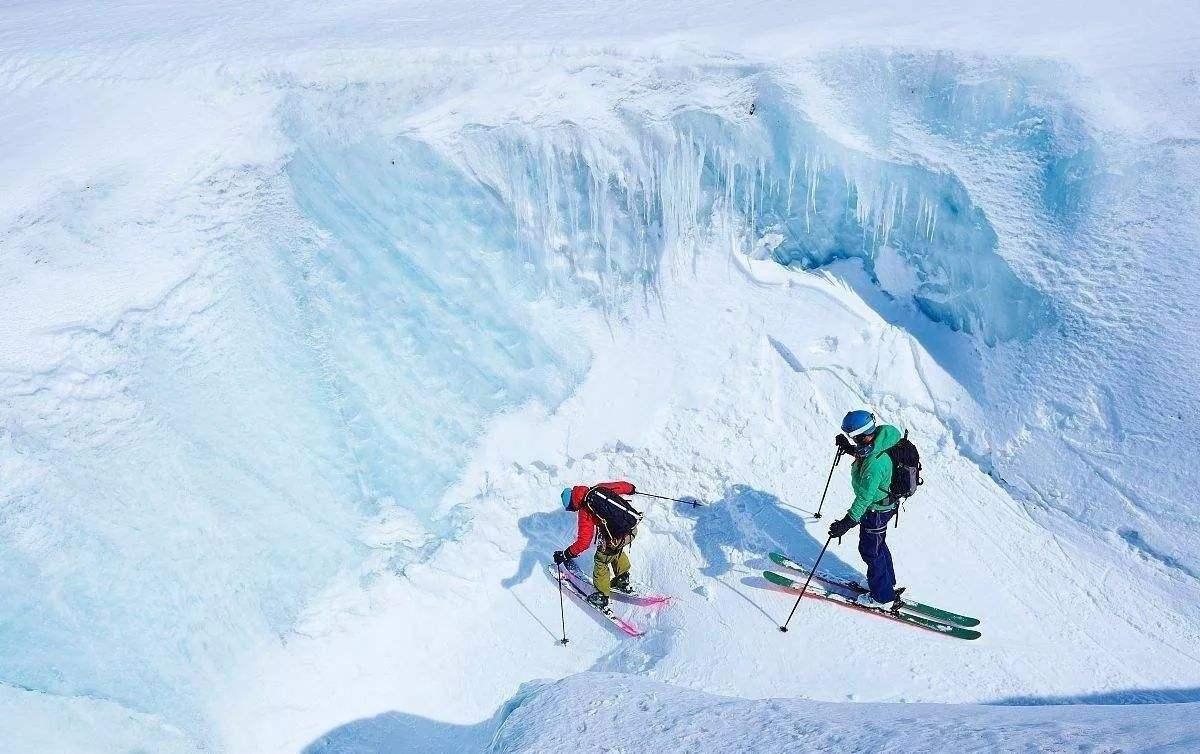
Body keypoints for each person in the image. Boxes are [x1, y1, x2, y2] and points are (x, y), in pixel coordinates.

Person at [827, 410, 905, 609]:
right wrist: (848, 448)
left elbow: (864, 497)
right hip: (885, 506)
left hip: (876, 510)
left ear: (862, 435)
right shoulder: (881, 440)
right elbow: (866, 451)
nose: (851, 439)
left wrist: (847, 522)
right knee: (878, 545)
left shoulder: (874, 464)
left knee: (870, 550)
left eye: (852, 437)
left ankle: (882, 598)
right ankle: (887, 584)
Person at [553, 481, 640, 610]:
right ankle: (622, 579)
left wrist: (565, 554)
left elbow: (584, 542)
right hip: (631, 528)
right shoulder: (598, 488)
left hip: (615, 538)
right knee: (616, 551)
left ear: (573, 503)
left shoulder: (585, 510)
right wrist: (631, 488)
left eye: (571, 508)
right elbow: (620, 486)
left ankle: (602, 596)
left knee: (601, 560)